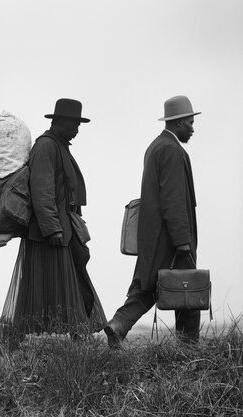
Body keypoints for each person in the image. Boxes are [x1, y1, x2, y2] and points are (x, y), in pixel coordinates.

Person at [3, 98, 107, 338]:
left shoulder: (59, 146)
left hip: (63, 227)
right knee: (56, 282)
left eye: (79, 124)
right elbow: (42, 191)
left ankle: (75, 334)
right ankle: (63, 335)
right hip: (50, 232)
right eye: (73, 124)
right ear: (59, 122)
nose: (77, 129)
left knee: (72, 279)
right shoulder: (46, 147)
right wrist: (52, 229)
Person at [105, 96, 201, 347]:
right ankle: (189, 352)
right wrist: (182, 243)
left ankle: (117, 325)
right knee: (189, 292)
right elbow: (174, 201)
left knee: (145, 288)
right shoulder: (171, 150)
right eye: (190, 123)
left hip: (154, 238)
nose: (192, 128)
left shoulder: (156, 146)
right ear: (179, 122)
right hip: (170, 240)